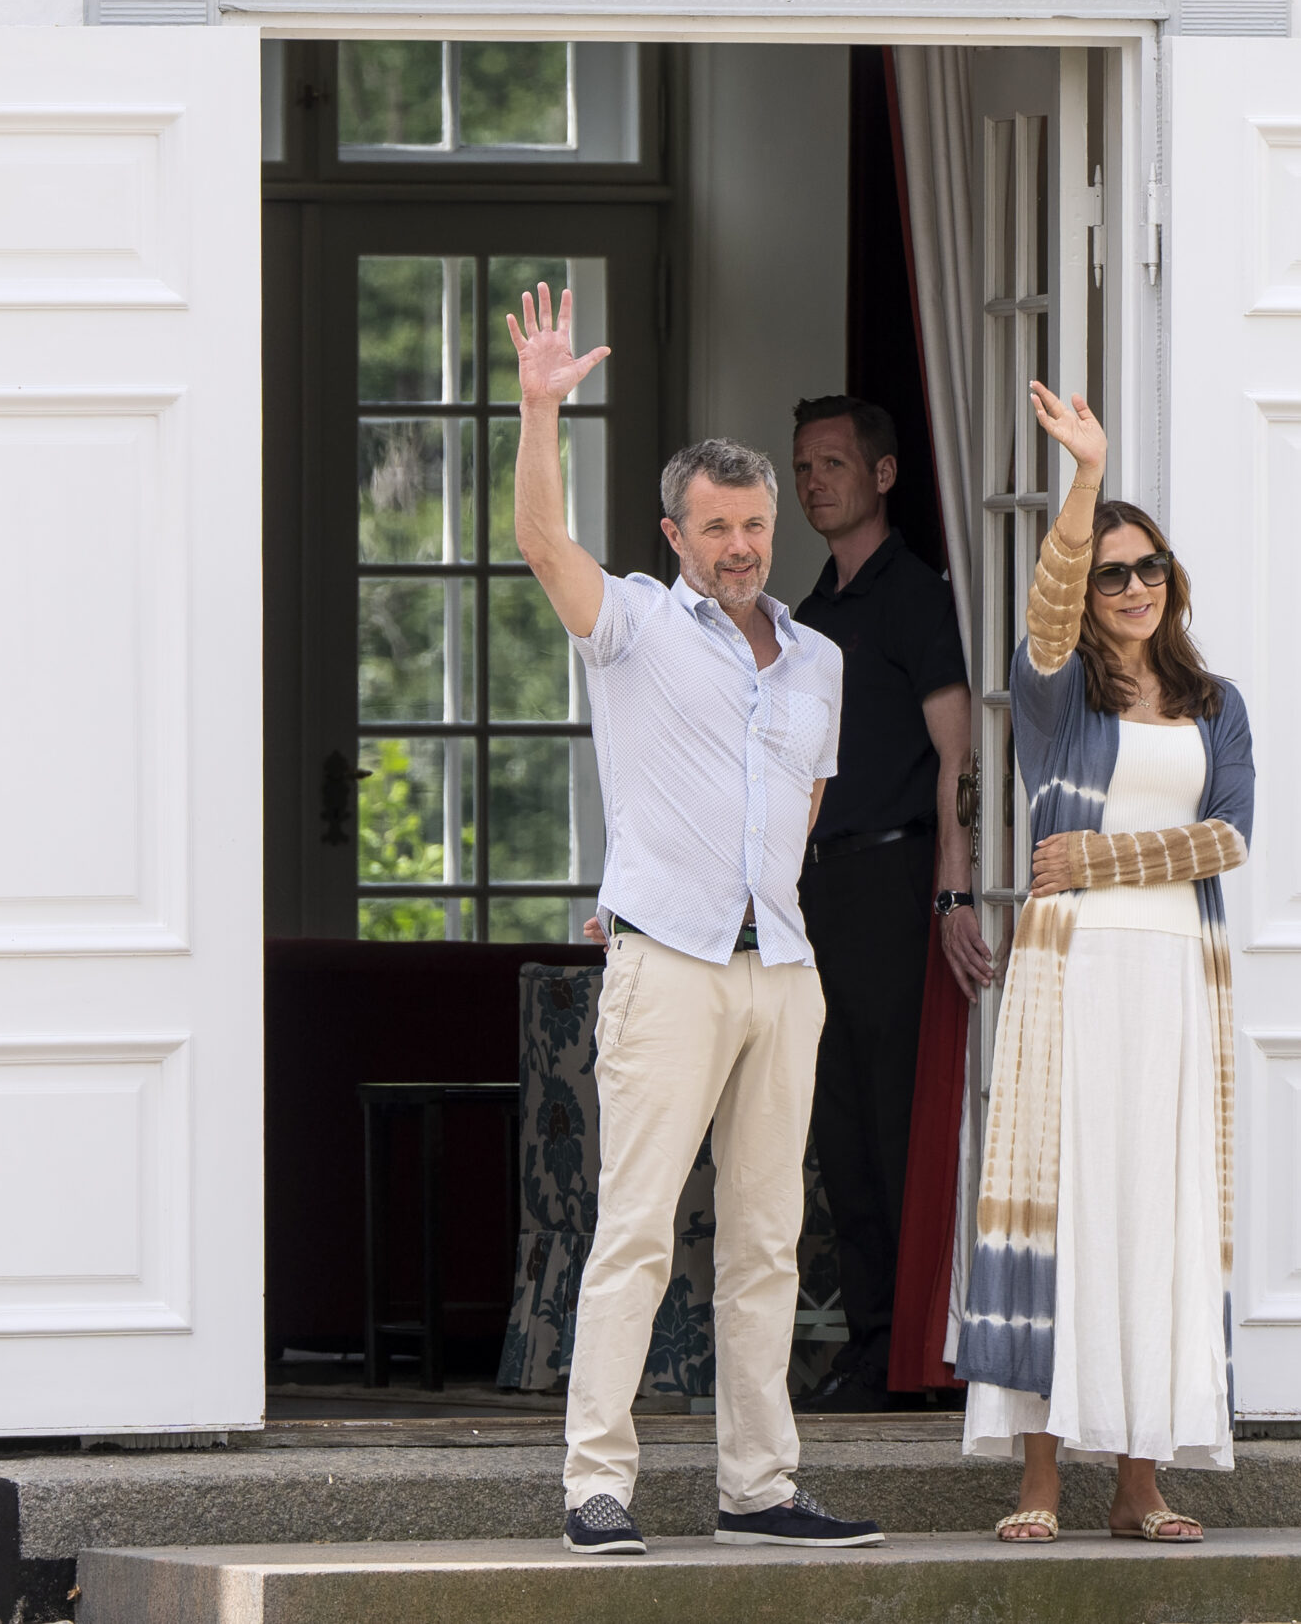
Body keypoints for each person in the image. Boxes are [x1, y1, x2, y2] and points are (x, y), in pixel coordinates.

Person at [506, 282, 884, 1557]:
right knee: (637, 1233)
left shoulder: (817, 660)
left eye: (755, 523)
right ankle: (595, 1486)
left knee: (769, 1241)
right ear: (673, 533)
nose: (739, 545)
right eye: (715, 526)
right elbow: (542, 546)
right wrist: (540, 409)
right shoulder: (632, 628)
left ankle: (759, 1486)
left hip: (781, 971)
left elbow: (804, 809)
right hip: (665, 964)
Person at [956, 381, 1256, 1546]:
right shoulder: (1055, 696)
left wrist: (1096, 853)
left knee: (1154, 1210)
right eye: (1112, 572)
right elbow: (1044, 608)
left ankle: (1140, 1482)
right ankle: (1041, 1476)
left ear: (1172, 581)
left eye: (1149, 569)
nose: (1131, 587)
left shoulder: (1215, 704)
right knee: (1065, 1205)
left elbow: (1228, 836)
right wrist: (1084, 480)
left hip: (1177, 981)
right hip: (1072, 979)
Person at [784, 394, 994, 1415]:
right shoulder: (810, 615)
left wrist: (953, 889)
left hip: (897, 877)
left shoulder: (914, 596)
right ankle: (871, 1349)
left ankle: (922, 1353)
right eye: (803, 467)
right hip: (819, 886)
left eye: (832, 462)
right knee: (837, 1120)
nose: (814, 481)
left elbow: (959, 757)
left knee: (896, 1119)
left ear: (881, 474)